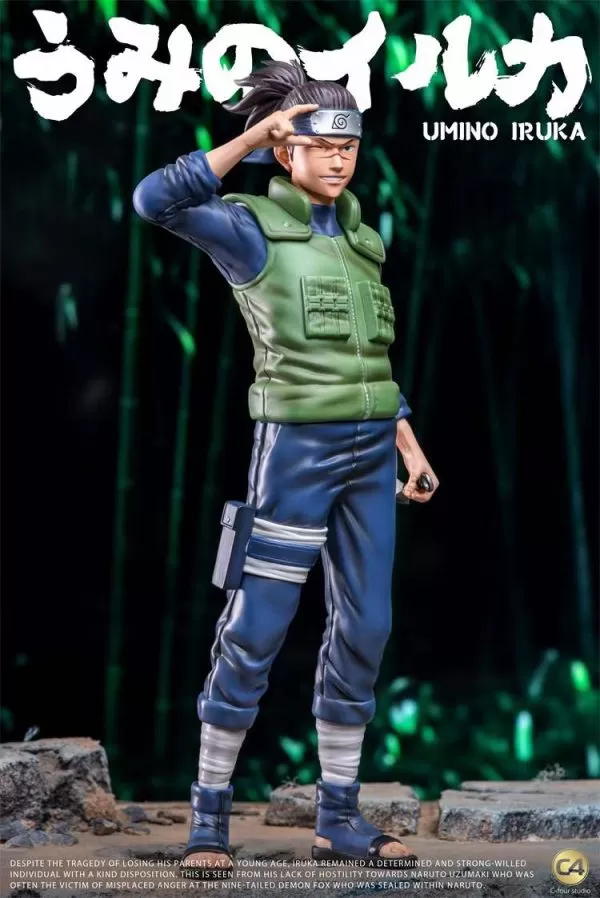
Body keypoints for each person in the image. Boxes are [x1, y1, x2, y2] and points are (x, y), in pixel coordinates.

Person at [133, 60, 439, 873]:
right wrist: (252, 137)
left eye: (349, 146)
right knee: (256, 626)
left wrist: (407, 440)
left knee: (366, 627)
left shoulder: (365, 241)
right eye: (318, 143)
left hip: (371, 457)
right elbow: (155, 200)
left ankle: (339, 817)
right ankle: (208, 819)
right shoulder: (249, 230)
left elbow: (368, 355)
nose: (338, 159)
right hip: (296, 452)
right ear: (285, 148)